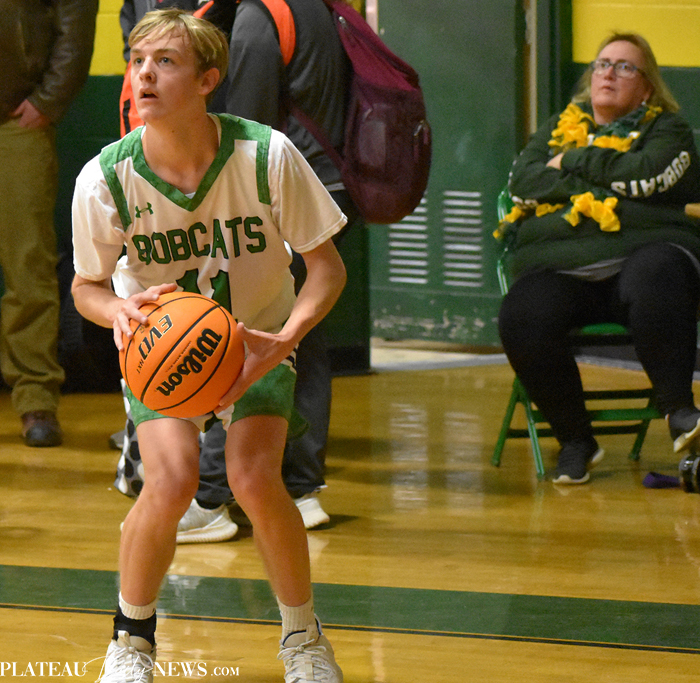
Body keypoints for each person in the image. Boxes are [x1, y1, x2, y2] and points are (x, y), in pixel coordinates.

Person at [71, 10, 346, 683]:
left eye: (165, 61)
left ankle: (304, 640)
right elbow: (85, 286)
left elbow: (327, 269)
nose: (144, 75)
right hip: (161, 347)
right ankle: (130, 643)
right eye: (138, 61)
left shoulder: (267, 156)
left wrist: (285, 338)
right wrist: (118, 309)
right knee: (170, 480)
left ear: (207, 80)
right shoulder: (106, 177)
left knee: (254, 478)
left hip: (256, 339)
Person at [496, 32, 700, 485]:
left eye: (625, 67)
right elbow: (523, 183)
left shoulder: (668, 130)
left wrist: (572, 160)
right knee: (521, 314)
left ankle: (680, 413)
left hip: (642, 260)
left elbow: (646, 176)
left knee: (659, 272)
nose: (608, 73)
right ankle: (576, 440)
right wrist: (606, 181)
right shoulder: (556, 127)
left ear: (647, 88)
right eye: (602, 64)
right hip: (563, 269)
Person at [0, 0, 98, 446]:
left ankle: (35, 396)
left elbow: (75, 21)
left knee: (29, 266)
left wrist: (49, 99)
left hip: (15, 120)